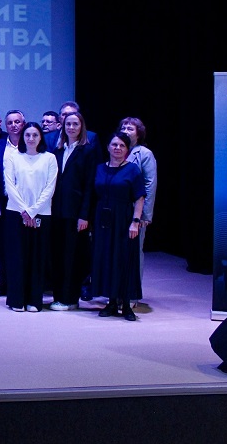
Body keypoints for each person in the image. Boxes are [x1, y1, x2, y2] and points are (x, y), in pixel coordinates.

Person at [3, 121, 57, 313]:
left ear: (41, 137)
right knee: (17, 257)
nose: (31, 138)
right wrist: (24, 211)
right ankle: (17, 300)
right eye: (27, 135)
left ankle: (34, 300)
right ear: (23, 137)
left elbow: (50, 187)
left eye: (35, 135)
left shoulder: (49, 158)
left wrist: (33, 212)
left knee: (37, 258)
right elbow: (10, 185)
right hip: (16, 213)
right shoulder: (13, 157)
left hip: (41, 213)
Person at [92, 132, 146, 321]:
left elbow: (140, 197)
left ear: (127, 149)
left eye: (122, 145)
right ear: (108, 147)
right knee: (107, 259)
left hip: (124, 219)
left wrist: (135, 222)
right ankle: (112, 302)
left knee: (124, 260)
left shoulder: (132, 170)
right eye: (114, 144)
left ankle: (127, 305)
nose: (117, 148)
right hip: (103, 220)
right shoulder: (100, 168)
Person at [49, 111, 98, 311]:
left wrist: (84, 215)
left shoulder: (88, 151)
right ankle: (59, 296)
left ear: (81, 126)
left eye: (75, 124)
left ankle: (70, 299)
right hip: (57, 212)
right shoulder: (58, 150)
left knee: (72, 257)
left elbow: (89, 186)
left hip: (76, 214)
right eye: (68, 124)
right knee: (58, 256)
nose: (71, 127)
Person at [0, 109, 25, 296]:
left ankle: (23, 285)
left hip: (26, 204)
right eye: (10, 122)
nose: (14, 125)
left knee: (24, 245)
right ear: (5, 125)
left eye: (17, 122)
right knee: (3, 245)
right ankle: (5, 284)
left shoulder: (31, 144)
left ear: (23, 124)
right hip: (3, 201)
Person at [120, 116, 158, 297]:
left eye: (130, 128)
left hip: (137, 210)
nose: (126, 131)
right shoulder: (118, 149)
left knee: (135, 251)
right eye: (123, 128)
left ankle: (133, 293)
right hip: (118, 209)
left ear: (139, 133)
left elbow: (150, 184)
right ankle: (117, 291)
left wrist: (145, 214)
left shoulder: (144, 154)